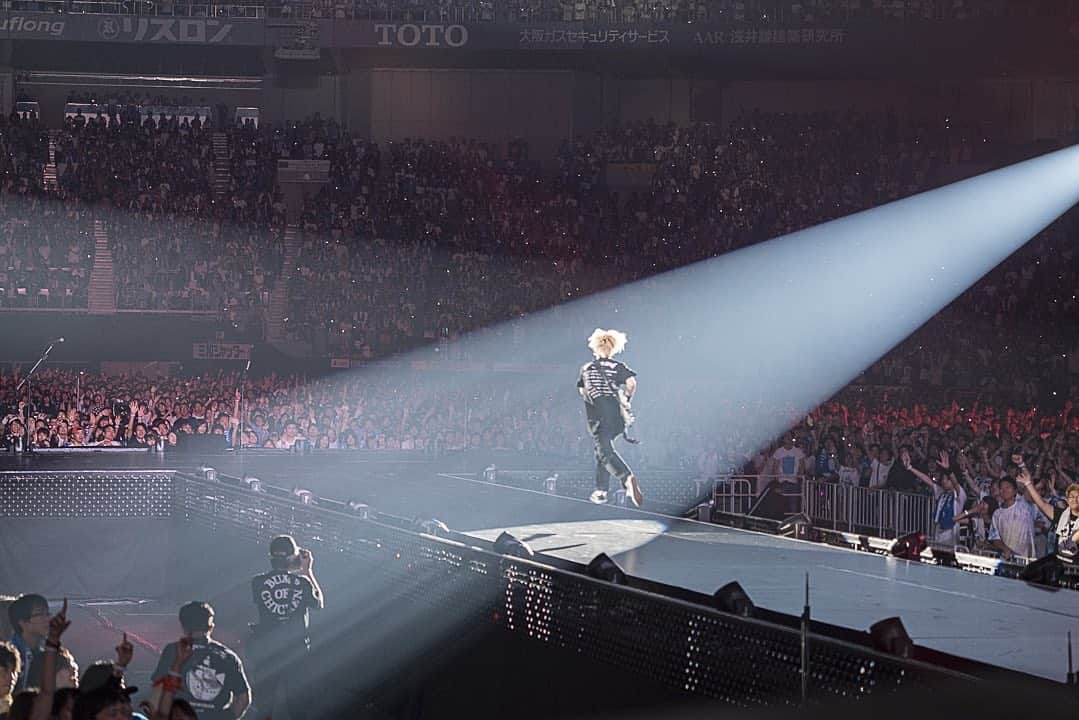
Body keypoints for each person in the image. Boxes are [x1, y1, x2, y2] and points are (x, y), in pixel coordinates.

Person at [247, 535, 323, 720]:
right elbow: (319, 603)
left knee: (264, 704)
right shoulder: (303, 583)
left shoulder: (257, 582)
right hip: (296, 653)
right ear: (291, 557)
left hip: (268, 651)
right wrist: (307, 571)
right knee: (298, 706)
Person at [149, 603, 250, 720]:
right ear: (211, 626)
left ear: (183, 626)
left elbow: (158, 691)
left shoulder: (173, 650)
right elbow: (243, 698)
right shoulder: (228, 656)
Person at [577, 328, 643, 506]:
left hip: (599, 414)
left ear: (595, 348)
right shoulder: (617, 366)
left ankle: (627, 478)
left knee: (604, 451)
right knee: (602, 449)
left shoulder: (587, 368)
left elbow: (582, 391)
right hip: (617, 416)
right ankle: (601, 491)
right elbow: (631, 383)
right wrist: (627, 400)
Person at [6, 595, 49, 691]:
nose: (47, 619)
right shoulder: (10, 654)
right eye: (41, 614)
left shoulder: (42, 652)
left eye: (47, 614)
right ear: (22, 622)